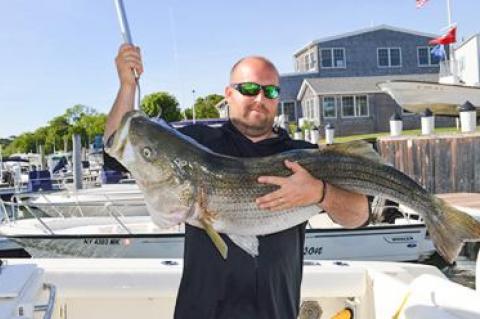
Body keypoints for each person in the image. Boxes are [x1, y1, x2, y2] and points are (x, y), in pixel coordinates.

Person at [105, 44, 370, 319]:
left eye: (270, 91)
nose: (260, 98)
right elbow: (118, 146)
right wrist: (127, 86)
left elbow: (360, 216)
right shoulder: (198, 143)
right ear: (229, 94)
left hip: (276, 312)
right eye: (249, 89)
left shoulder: (304, 157)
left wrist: (320, 192)